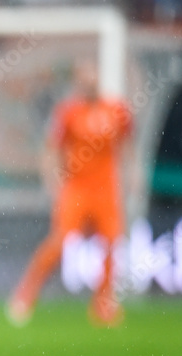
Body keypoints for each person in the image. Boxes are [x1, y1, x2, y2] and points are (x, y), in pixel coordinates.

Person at [7, 59, 134, 327]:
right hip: (76, 188)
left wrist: (131, 179)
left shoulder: (117, 111)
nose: (90, 82)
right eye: (84, 78)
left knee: (111, 243)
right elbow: (51, 148)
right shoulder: (67, 113)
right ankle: (26, 293)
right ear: (78, 83)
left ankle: (103, 304)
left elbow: (126, 147)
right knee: (61, 242)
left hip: (106, 189)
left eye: (93, 77)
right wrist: (52, 182)